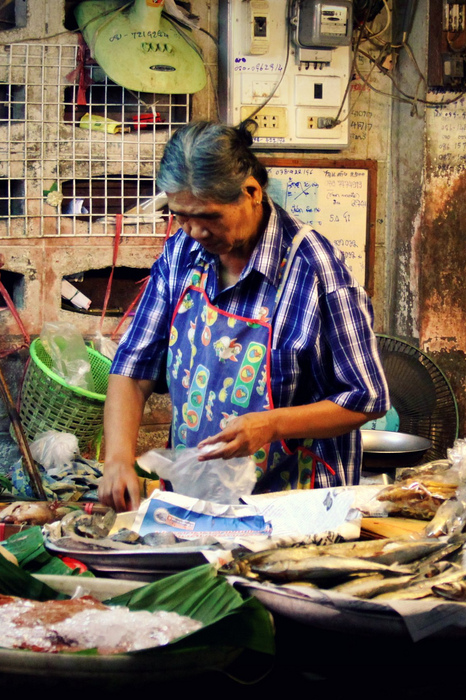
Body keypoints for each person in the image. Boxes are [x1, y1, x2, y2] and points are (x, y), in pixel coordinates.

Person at [98, 120, 389, 511]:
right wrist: (117, 459)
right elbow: (134, 369)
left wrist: (272, 425)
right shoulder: (181, 256)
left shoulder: (315, 269)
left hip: (297, 507)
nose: (195, 231)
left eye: (209, 216)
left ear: (251, 192)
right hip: (197, 501)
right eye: (181, 216)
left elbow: (366, 397)